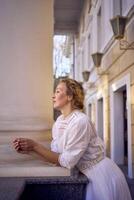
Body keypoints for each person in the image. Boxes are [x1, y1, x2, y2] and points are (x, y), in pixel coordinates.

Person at [13, 78, 132, 200]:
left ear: (70, 96)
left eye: (58, 91)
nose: (53, 96)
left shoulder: (80, 121)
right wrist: (29, 151)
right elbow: (58, 156)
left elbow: (67, 161)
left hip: (100, 177)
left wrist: (35, 146)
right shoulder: (59, 122)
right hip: (83, 175)